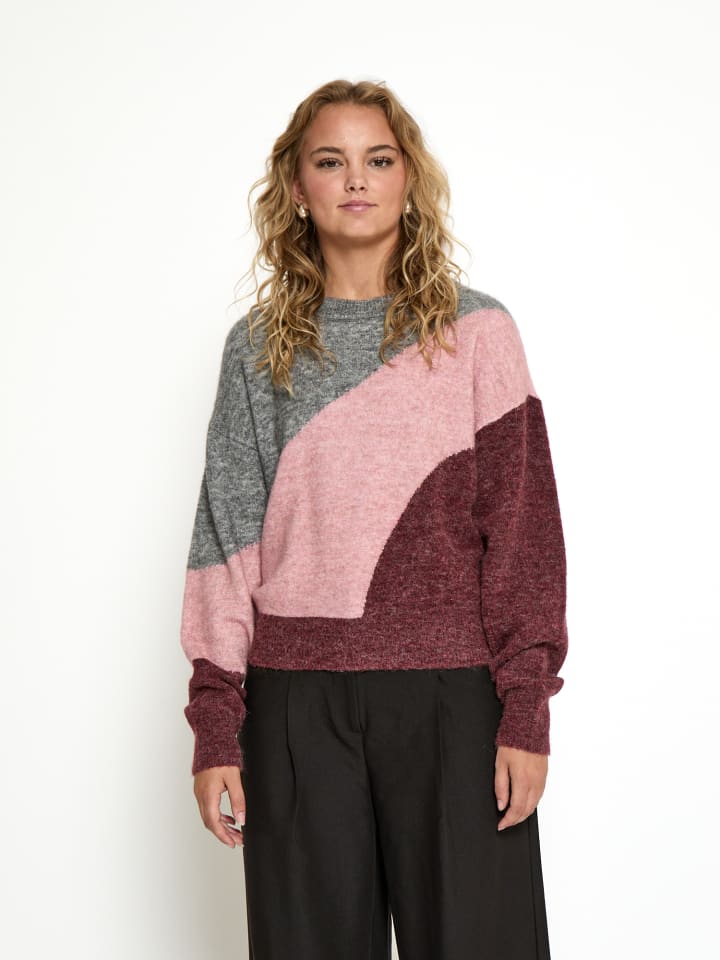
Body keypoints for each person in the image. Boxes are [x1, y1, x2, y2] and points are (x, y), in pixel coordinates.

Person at [180, 77, 568, 960]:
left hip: (453, 701)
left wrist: (525, 711)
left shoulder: (478, 333)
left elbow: (523, 533)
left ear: (408, 179)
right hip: (295, 705)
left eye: (378, 159)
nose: (356, 179)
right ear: (297, 187)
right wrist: (215, 723)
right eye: (331, 161)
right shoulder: (257, 349)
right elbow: (225, 536)